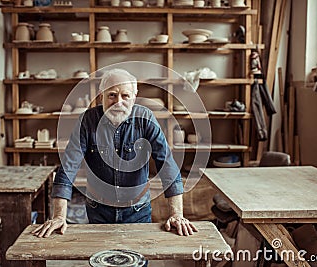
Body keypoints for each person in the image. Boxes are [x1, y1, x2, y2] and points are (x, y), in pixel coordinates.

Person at [32, 69, 197, 238]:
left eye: (125, 96)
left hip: (137, 211)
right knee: (101, 259)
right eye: (112, 95)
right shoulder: (87, 120)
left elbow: (167, 165)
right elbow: (68, 167)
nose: (118, 102)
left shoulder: (146, 118)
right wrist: (59, 216)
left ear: (134, 96)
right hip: (99, 211)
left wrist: (177, 214)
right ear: (101, 95)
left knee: (138, 261)